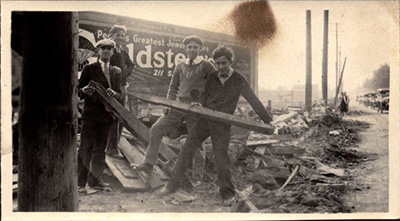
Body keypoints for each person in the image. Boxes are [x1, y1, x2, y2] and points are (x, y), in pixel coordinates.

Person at [159, 45, 273, 206]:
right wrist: (200, 104)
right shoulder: (212, 76)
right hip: (205, 120)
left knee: (221, 157)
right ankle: (172, 185)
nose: (220, 67)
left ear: (230, 62)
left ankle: (227, 194)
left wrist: (268, 120)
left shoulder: (238, 79)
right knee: (186, 150)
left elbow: (253, 100)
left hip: (222, 124)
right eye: (217, 63)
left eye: (223, 63)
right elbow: (205, 94)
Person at [136, 35, 216, 187]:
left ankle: (197, 177)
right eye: (190, 47)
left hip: (196, 110)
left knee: (196, 141)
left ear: (200, 49)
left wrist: (202, 103)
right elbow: (173, 87)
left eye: (195, 47)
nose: (192, 50)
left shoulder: (206, 65)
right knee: (156, 128)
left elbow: (214, 87)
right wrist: (169, 103)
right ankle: (148, 164)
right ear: (185, 49)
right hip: (178, 106)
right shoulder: (180, 66)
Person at [77, 39, 123, 194]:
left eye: (109, 48)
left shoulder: (116, 71)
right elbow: (78, 91)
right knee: (85, 148)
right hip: (90, 114)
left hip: (106, 115)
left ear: (113, 51)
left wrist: (114, 93)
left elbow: (120, 94)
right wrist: (85, 91)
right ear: (98, 51)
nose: (106, 51)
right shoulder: (90, 68)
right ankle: (80, 184)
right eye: (103, 48)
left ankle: (95, 182)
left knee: (100, 149)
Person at [106, 24, 135, 158]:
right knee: (115, 117)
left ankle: (113, 146)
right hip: (111, 88)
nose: (120, 37)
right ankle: (111, 149)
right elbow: (104, 67)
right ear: (111, 36)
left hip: (122, 87)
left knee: (121, 118)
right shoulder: (108, 50)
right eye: (118, 35)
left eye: (122, 35)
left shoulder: (122, 52)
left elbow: (131, 65)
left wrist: (124, 75)